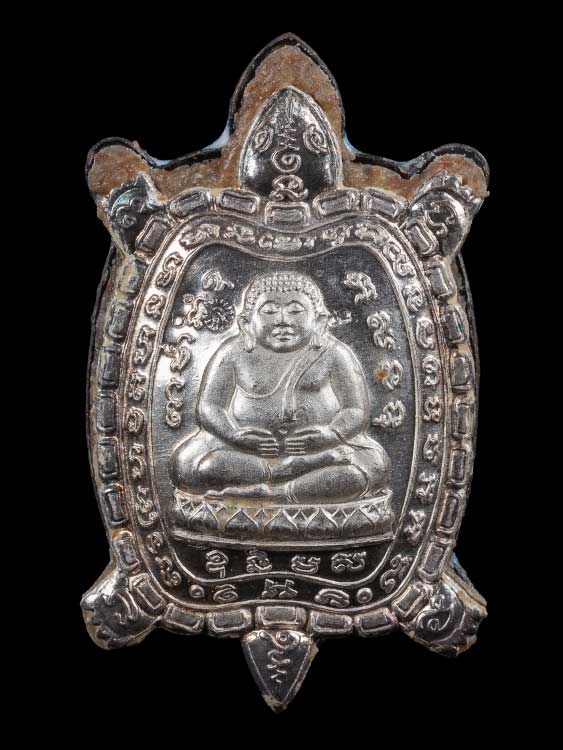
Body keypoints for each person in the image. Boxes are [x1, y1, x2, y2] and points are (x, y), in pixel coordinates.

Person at [169, 271, 389, 504]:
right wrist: (234, 435)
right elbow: (210, 407)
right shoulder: (232, 353)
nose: (282, 320)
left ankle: (277, 492)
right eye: (269, 311)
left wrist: (331, 434)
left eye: (295, 310)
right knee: (188, 466)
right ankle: (281, 472)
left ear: (319, 321)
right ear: (246, 322)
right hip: (247, 454)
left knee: (373, 467)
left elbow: (356, 410)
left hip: (324, 450)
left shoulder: (334, 353)